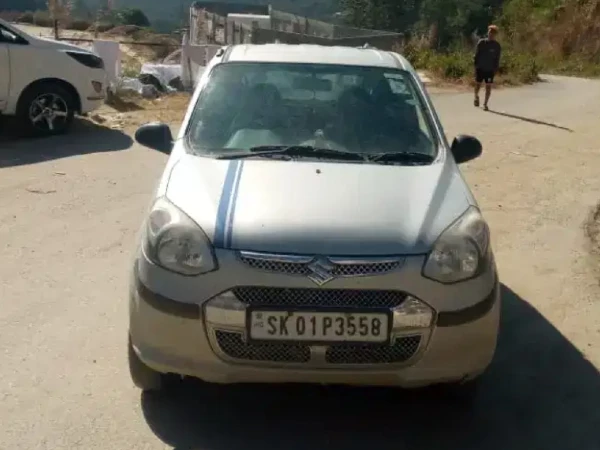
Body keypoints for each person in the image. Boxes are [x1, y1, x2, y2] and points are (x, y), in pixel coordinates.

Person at [474, 25, 502, 111]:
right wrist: (475, 66)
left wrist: (496, 69)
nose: (491, 34)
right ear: (488, 33)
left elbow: (497, 59)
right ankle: (476, 96)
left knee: (488, 87)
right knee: (478, 85)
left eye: (493, 33)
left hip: (490, 70)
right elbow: (476, 55)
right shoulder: (481, 43)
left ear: (495, 35)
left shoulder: (497, 46)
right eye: (490, 32)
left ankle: (485, 104)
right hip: (480, 68)